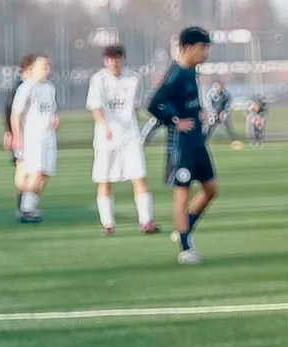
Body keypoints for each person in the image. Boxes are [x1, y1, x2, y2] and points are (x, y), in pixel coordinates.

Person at [148, 26, 217, 265]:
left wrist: (199, 113)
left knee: (211, 190)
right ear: (187, 47)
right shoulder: (175, 74)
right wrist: (175, 121)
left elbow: (187, 102)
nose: (205, 53)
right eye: (202, 47)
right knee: (182, 194)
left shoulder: (191, 73)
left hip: (198, 142)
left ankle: (184, 228)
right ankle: (185, 249)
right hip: (182, 146)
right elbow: (155, 104)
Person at [85, 44, 157, 236]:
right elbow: (95, 107)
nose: (113, 63)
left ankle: (146, 222)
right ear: (104, 61)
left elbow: (135, 107)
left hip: (130, 137)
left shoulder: (134, 78)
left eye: (116, 59)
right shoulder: (98, 79)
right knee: (104, 180)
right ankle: (108, 224)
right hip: (106, 138)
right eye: (109, 59)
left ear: (122, 60)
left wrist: (130, 127)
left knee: (139, 177)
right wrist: (105, 126)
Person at [10, 54, 59, 224]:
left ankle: (30, 207)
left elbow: (50, 110)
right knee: (36, 172)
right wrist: (17, 136)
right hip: (33, 138)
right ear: (32, 69)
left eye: (47, 66)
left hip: (49, 138)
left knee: (46, 174)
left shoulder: (50, 87)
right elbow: (15, 113)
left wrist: (55, 119)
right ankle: (25, 209)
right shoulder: (26, 88)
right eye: (43, 66)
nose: (46, 69)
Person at [4, 55, 33, 214]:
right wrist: (10, 132)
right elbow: (9, 110)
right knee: (22, 166)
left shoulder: (36, 86)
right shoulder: (19, 87)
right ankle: (22, 202)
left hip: (33, 135)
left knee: (32, 170)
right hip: (21, 134)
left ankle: (27, 202)